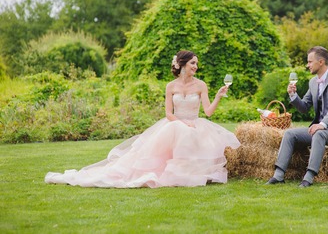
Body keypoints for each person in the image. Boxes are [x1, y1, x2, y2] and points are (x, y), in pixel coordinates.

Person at [45, 50, 241, 188]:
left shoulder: (201, 85)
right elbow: (168, 114)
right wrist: (183, 124)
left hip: (195, 124)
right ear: (181, 64)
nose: (196, 67)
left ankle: (186, 174)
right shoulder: (170, 86)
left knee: (189, 134)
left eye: (196, 63)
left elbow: (207, 112)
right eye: (192, 63)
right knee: (174, 135)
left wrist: (217, 96)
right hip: (175, 124)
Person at [266, 46, 328, 187]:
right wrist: (293, 95)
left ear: (321, 62)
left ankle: (308, 177)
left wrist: (323, 124)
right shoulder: (313, 82)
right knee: (290, 134)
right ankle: (278, 175)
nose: (307, 65)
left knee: (319, 134)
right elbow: (304, 107)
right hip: (320, 129)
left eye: (310, 62)